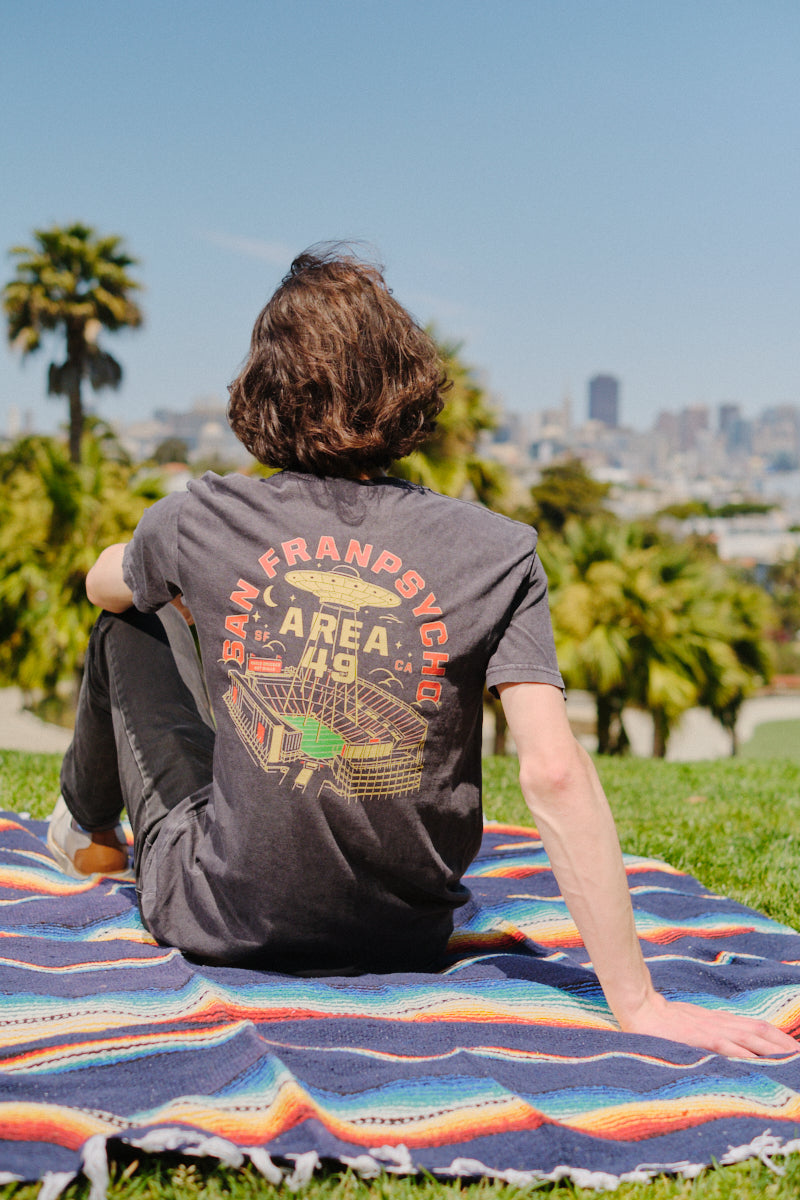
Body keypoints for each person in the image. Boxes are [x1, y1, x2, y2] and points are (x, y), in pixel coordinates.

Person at [49, 246, 795, 1059]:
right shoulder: (497, 549)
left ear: (262, 390)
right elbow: (552, 769)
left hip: (224, 921)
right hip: (405, 936)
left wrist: (187, 587)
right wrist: (640, 1004)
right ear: (407, 385)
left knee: (127, 621)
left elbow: (102, 586)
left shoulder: (204, 516)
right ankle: (87, 824)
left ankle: (86, 826)